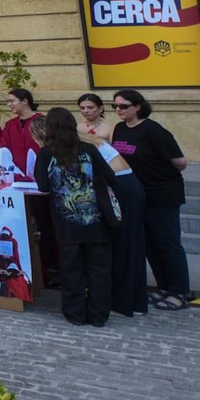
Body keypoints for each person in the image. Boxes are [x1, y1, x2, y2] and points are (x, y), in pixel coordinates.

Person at [33, 107, 116, 326]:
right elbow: (109, 176)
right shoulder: (88, 149)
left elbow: (42, 185)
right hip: (96, 220)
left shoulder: (46, 153)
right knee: (99, 269)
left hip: (66, 222)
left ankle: (75, 313)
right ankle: (99, 314)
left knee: (71, 268)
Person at [111, 89, 191, 311]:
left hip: (161, 194)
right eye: (115, 106)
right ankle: (164, 287)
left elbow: (180, 162)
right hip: (136, 196)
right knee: (150, 246)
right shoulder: (119, 129)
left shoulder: (153, 131)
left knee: (167, 243)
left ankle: (179, 291)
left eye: (123, 106)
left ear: (137, 106)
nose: (118, 110)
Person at [77, 100, 147, 317]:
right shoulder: (86, 141)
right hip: (121, 185)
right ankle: (123, 297)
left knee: (125, 245)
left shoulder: (87, 145)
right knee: (121, 246)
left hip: (122, 187)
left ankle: (126, 299)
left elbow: (101, 175)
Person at [0, 88, 43, 178]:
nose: (9, 105)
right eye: (8, 102)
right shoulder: (10, 125)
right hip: (16, 175)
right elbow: (2, 147)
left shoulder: (41, 121)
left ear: (24, 101)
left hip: (40, 173)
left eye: (11, 101)